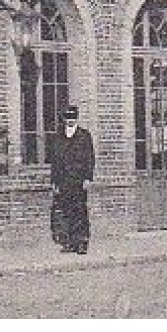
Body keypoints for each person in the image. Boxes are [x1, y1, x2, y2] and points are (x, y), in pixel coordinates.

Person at [48, 103, 95, 254]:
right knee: (66, 211)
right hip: (63, 180)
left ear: (77, 118)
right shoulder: (58, 137)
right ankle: (68, 242)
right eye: (67, 117)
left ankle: (82, 242)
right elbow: (54, 161)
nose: (70, 120)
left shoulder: (84, 136)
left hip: (79, 180)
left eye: (73, 117)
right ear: (64, 118)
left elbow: (90, 158)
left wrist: (88, 178)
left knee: (80, 210)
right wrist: (54, 182)